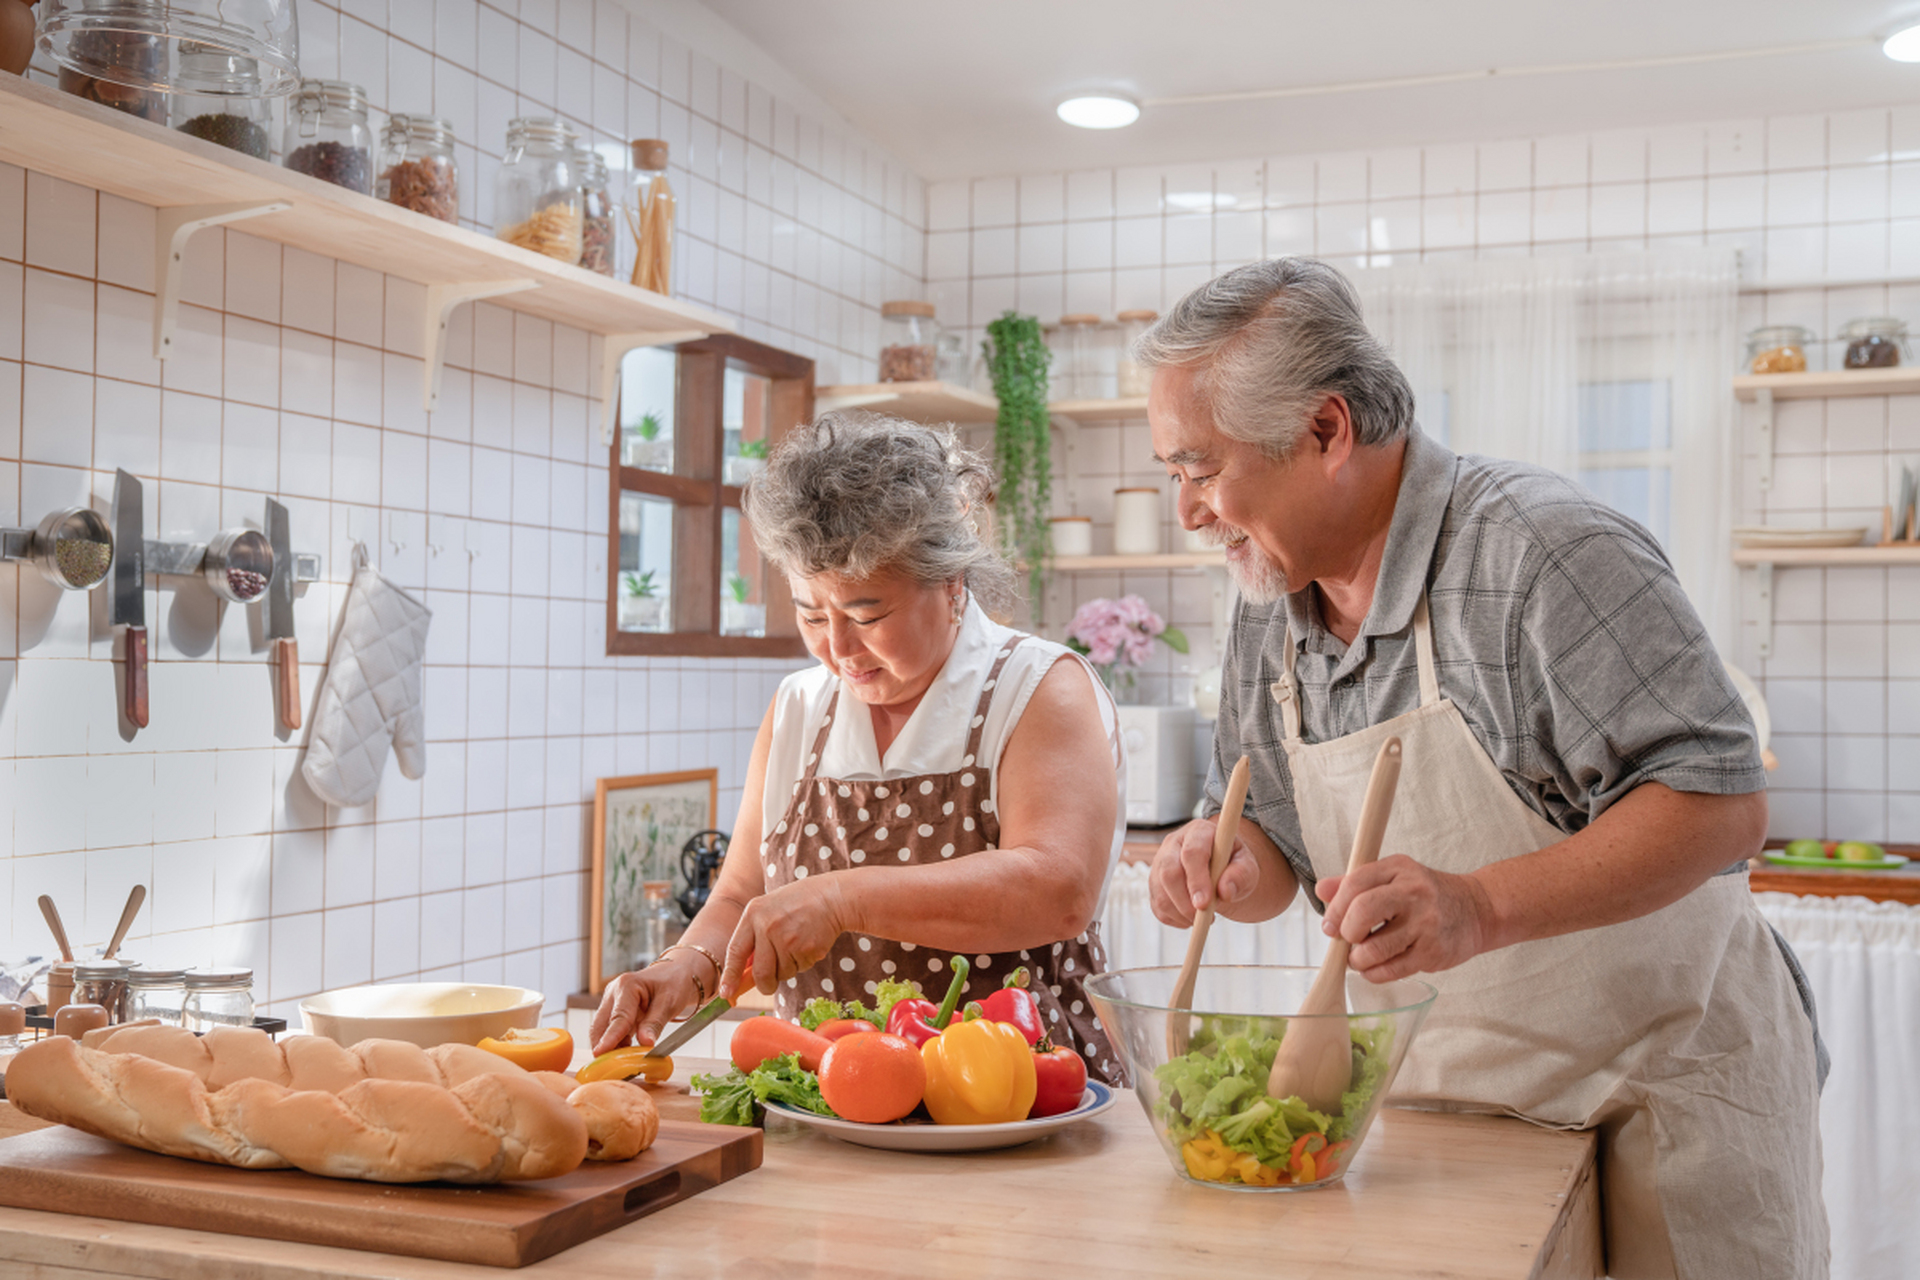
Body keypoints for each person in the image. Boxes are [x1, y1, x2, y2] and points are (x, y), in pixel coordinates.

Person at [1140, 258, 1826, 1279]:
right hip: (1441, 1126)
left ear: (1327, 431)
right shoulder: (1264, 603)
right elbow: (1277, 840)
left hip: (1658, 1107)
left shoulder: (1542, 551)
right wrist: (1224, 856)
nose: (1188, 510)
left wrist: (1476, 906)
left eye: (1200, 468)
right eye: (1173, 475)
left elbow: (1718, 801)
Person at [592, 413, 1128, 1084]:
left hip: (1019, 1103)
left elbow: (1058, 889)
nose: (837, 649)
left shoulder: (1035, 687)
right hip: (832, 1100)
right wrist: (686, 966)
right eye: (811, 614)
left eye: (867, 615)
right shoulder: (798, 706)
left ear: (951, 582)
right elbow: (741, 895)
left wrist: (840, 901)